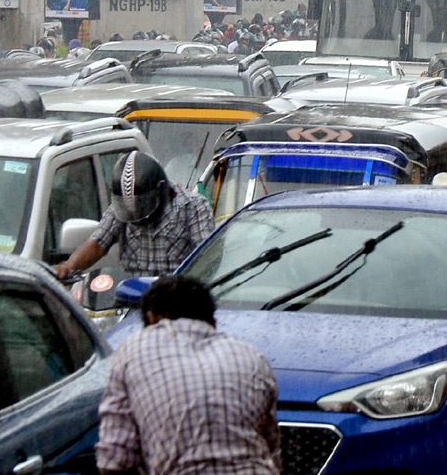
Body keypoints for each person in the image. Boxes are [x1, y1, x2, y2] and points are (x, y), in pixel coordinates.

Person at [96, 275, 281, 475]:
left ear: (152, 318)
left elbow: (115, 459)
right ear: (213, 321)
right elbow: (271, 448)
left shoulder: (132, 350)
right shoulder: (252, 356)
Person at [53, 150, 214, 280]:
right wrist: (69, 266)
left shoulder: (193, 207)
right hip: (131, 299)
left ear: (161, 191)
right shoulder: (121, 208)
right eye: (128, 210)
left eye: (143, 205)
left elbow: (207, 259)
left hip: (175, 300)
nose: (135, 213)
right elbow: (97, 244)